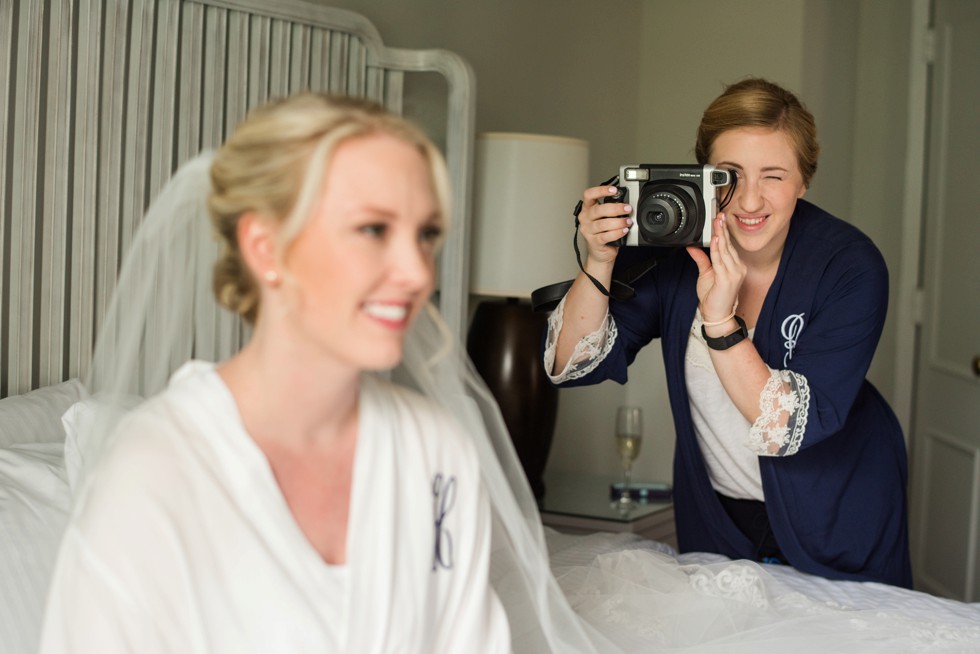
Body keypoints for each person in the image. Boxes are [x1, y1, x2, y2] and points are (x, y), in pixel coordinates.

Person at [39, 94, 514, 652]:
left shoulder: (438, 451)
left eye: (426, 234)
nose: (417, 272)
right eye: (372, 229)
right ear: (266, 248)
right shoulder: (157, 472)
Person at [544, 77, 912, 588]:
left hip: (838, 512)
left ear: (804, 180)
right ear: (704, 175)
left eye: (775, 175)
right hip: (718, 519)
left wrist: (720, 322)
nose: (750, 200)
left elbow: (789, 429)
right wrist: (601, 260)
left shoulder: (849, 266)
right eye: (731, 175)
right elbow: (570, 365)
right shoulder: (672, 255)